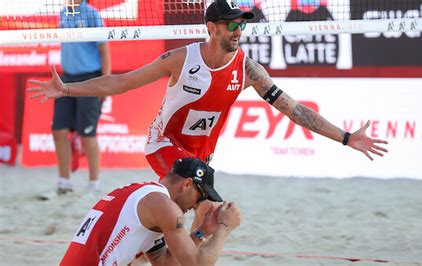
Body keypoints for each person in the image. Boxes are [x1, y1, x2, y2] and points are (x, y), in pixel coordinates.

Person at [29, 0, 387, 224]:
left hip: (201, 155)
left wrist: (345, 137)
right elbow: (122, 83)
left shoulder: (248, 70)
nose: (239, 30)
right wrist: (67, 89)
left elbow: (295, 111)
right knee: (196, 198)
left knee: (201, 215)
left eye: (242, 24)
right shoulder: (181, 59)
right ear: (212, 28)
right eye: (232, 24)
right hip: (164, 144)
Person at [60, 157, 241, 266]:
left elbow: (166, 264)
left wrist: (202, 231)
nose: (196, 206)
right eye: (200, 197)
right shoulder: (165, 208)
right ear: (187, 184)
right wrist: (224, 227)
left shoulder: (147, 196)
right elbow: (195, 264)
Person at [51, 0, 111, 195]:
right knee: (58, 131)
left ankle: (94, 184)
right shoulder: (62, 12)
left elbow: (104, 50)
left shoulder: (92, 14)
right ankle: (63, 182)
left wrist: (105, 84)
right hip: (66, 78)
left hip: (90, 78)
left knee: (88, 134)